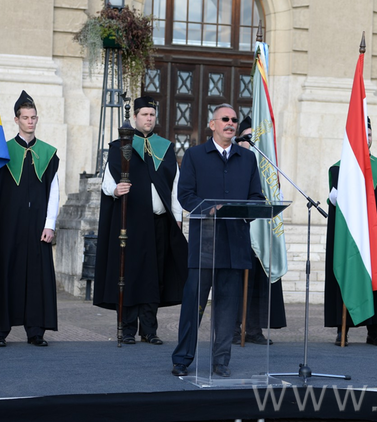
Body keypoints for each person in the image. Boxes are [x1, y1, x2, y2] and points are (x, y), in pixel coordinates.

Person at [171, 104, 264, 378]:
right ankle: (182, 359)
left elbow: (256, 197)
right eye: (225, 119)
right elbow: (185, 195)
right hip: (205, 245)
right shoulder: (195, 155)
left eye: (234, 120)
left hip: (235, 245)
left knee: (226, 309)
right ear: (212, 124)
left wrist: (244, 211)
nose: (231, 123)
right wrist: (210, 209)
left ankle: (221, 361)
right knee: (193, 306)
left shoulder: (248, 159)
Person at [94, 96, 188, 345]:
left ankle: (149, 330)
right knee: (129, 274)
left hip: (159, 223)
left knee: (153, 277)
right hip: (131, 223)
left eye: (152, 115)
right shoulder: (121, 146)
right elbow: (107, 182)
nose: (149, 119)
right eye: (144, 114)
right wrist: (116, 190)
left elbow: (175, 186)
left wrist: (177, 217)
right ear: (135, 117)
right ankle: (127, 329)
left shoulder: (164, 147)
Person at [0, 90, 60, 348]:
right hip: (7, 227)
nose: (30, 121)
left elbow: (54, 191)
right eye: (25, 117)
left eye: (33, 117)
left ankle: (36, 331)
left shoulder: (48, 153)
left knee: (36, 278)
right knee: (3, 274)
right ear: (16, 120)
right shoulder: (1, 152)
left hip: (37, 227)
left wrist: (50, 225)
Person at [324, 117, 377, 347]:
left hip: (374, 235)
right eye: (363, 133)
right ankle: (341, 330)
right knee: (346, 277)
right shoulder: (339, 168)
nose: (367, 138)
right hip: (350, 237)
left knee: (373, 278)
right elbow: (333, 200)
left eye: (370, 134)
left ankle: (373, 332)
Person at [232, 117, 286, 345]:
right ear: (239, 140)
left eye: (256, 138)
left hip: (261, 234)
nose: (252, 142)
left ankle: (254, 329)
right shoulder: (233, 162)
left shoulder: (267, 166)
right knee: (236, 285)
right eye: (248, 138)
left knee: (257, 284)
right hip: (238, 231)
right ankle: (233, 329)